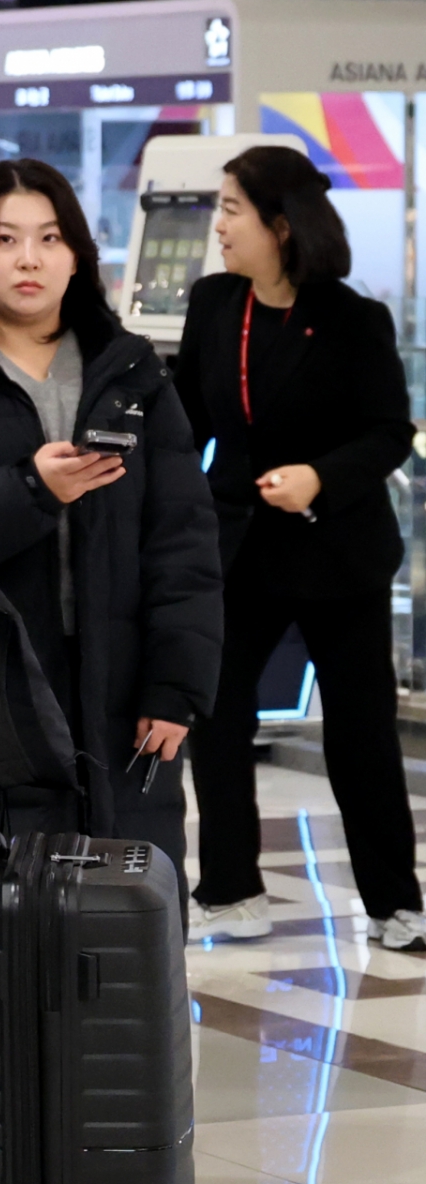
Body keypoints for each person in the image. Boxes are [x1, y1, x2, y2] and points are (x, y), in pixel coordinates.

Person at [0, 158, 221, 913]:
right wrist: (31, 491)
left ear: (77, 254)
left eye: (49, 238)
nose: (28, 260)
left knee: (128, 910)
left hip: (123, 689)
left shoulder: (129, 373)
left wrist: (175, 686)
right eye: (5, 239)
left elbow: (183, 543)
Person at [175, 145, 425, 946]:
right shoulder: (216, 303)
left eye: (231, 210)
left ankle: (394, 902)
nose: (218, 227)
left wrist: (321, 476)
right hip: (240, 545)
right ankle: (230, 889)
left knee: (361, 733)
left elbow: (388, 431)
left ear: (280, 226)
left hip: (337, 550)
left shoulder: (353, 320)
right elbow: (187, 419)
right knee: (217, 716)